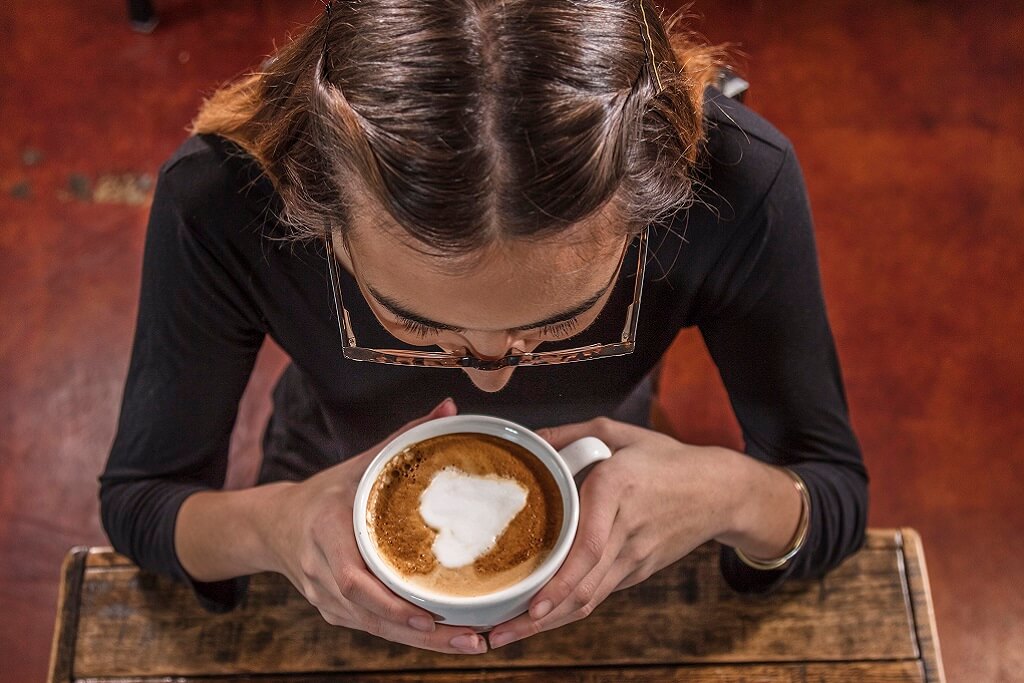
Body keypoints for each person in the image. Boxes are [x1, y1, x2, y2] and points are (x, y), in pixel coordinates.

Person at [99, 0, 868, 657]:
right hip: (318, 469)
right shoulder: (223, 197)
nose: (490, 381)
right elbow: (142, 502)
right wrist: (273, 528)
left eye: (563, 319)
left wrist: (731, 493)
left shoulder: (736, 179)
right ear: (309, 213)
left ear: (657, 204)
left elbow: (832, 491)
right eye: (415, 322)